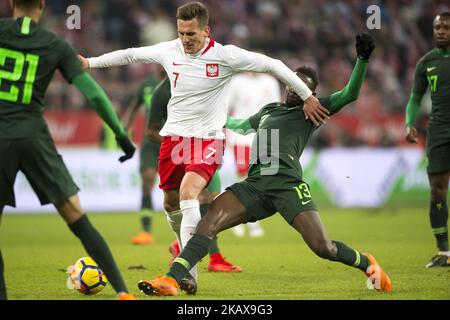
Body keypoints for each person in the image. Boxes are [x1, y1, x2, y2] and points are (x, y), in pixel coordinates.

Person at [79, 1, 329, 284]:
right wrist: (90, 62)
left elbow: (275, 65)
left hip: (208, 139)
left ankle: (187, 275)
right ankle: (184, 254)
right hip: (174, 138)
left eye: (191, 34)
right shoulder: (169, 50)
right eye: (182, 33)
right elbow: (131, 54)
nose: (185, 40)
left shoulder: (226, 56)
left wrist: (307, 96)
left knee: (189, 194)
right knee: (171, 201)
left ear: (206, 31)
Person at [138, 33, 393, 296]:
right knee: (207, 223)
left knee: (323, 247)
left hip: (287, 186)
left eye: (301, 86)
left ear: (311, 94)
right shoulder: (269, 110)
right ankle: (172, 279)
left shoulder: (311, 112)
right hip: (255, 186)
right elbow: (237, 124)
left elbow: (350, 94)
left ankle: (366, 262)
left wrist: (362, 60)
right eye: (292, 82)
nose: (294, 88)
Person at [0, 0, 137, 300]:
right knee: (76, 215)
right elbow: (94, 94)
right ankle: (124, 293)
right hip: (34, 137)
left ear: (11, 3)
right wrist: (121, 134)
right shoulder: (55, 45)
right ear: (42, 5)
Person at [146, 78, 242, 282]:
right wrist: (178, 143)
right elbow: (151, 130)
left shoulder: (206, 83)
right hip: (177, 152)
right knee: (176, 202)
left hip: (206, 147)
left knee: (212, 198)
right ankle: (184, 245)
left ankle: (211, 257)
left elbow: (220, 117)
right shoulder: (162, 92)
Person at [405, 12, 450, 268]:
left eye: (446, 27)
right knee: (437, 192)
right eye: (437, 27)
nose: (441, 31)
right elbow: (414, 98)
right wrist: (409, 123)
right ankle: (443, 251)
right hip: (439, 131)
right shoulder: (426, 63)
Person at [227, 72, 282, 238]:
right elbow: (227, 106)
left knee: (261, 178)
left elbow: (277, 108)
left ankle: (249, 218)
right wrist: (226, 133)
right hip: (241, 135)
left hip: (265, 135)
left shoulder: (270, 82)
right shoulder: (237, 81)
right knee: (243, 177)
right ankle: (242, 220)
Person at [121, 72, 163, 245]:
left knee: (178, 189)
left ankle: (188, 230)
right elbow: (134, 107)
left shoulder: (178, 79)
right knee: (147, 182)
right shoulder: (148, 83)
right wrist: (123, 131)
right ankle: (146, 232)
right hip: (149, 142)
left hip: (172, 141)